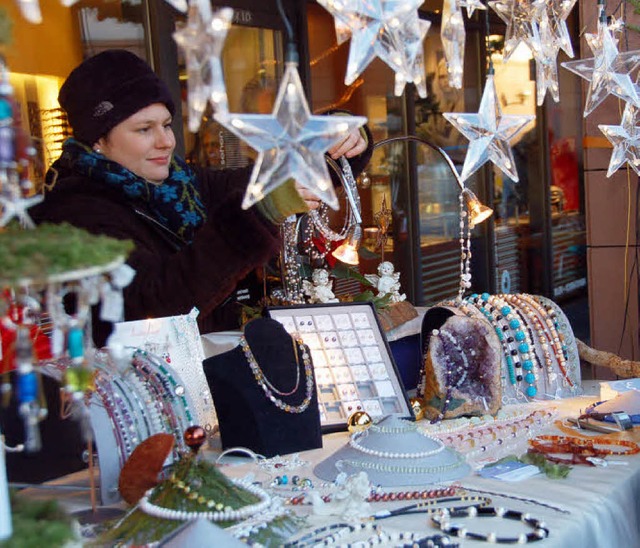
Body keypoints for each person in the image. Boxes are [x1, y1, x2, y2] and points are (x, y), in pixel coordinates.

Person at [29, 49, 372, 346]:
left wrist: (334, 137)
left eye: (166, 124)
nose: (165, 141)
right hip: (146, 399)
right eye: (144, 129)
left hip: (214, 379)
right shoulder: (72, 216)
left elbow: (264, 180)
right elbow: (157, 302)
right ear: (98, 140)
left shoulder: (183, 185)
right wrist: (261, 212)